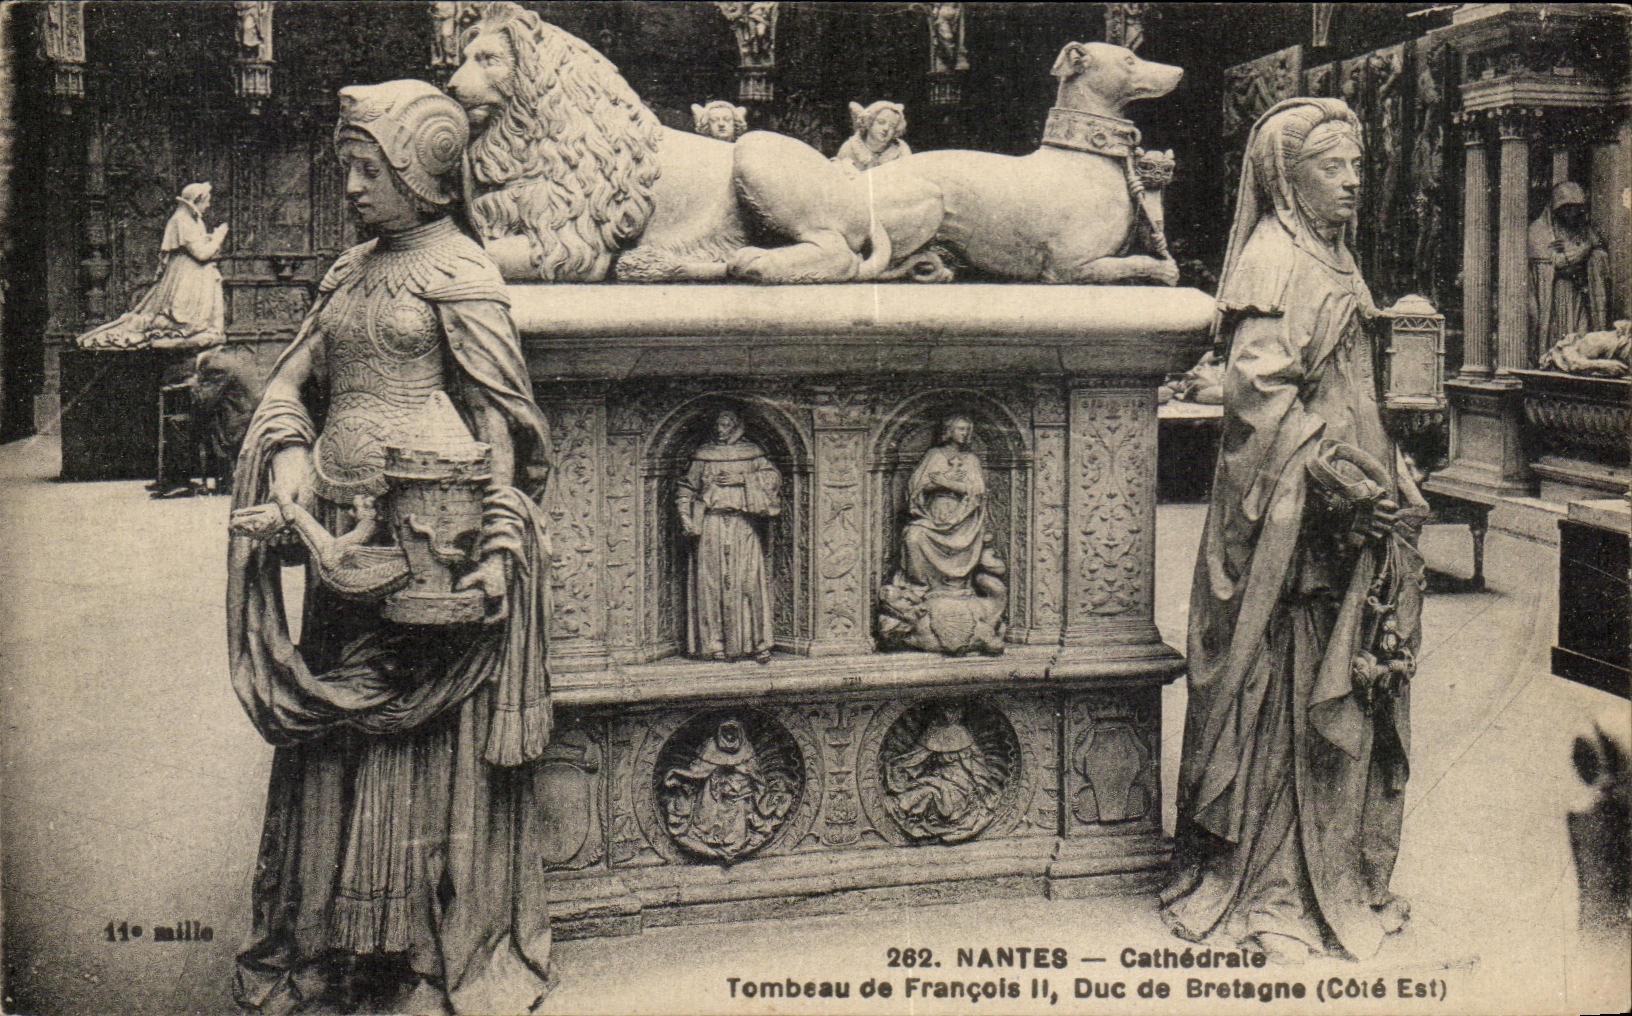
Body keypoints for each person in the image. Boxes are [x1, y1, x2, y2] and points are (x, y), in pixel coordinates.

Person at [227, 80, 554, 1015]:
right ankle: (331, 946)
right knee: (336, 744)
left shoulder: (461, 271)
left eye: (371, 169)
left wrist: (496, 544)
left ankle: (416, 954)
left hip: (434, 543)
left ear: (426, 172)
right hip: (337, 535)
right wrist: (288, 456)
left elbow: (499, 421)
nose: (354, 187)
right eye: (349, 167)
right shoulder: (346, 271)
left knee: (422, 755)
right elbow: (291, 382)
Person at [1162, 98, 1427, 965]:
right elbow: (1257, 404)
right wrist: (1339, 480)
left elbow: (1355, 383)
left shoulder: (1336, 257)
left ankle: (1338, 877)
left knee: (1348, 685)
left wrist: (1391, 464)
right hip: (1296, 532)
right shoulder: (1274, 261)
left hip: (1352, 518)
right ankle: (1270, 893)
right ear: (1287, 175)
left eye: (1357, 166)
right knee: (1287, 700)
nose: (1353, 181)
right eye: (1333, 168)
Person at [677, 410, 781, 663]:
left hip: (742, 523)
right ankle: (715, 644)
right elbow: (687, 487)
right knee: (712, 582)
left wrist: (743, 480)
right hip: (711, 523)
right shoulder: (704, 454)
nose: (720, 429)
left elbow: (773, 481)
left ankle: (755, 643)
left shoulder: (752, 453)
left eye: (725, 424)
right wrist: (686, 516)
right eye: (718, 424)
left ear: (736, 426)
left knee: (748, 581)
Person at [75, 182, 227, 349]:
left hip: (195, 277)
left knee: (197, 322)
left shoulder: (194, 220)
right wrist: (218, 237)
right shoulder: (181, 220)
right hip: (185, 276)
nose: (209, 205)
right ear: (197, 200)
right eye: (206, 201)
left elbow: (202, 248)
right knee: (181, 319)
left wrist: (210, 240)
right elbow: (202, 253)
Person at [1528, 181, 1611, 360]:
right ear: (1558, 209)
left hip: (1578, 291)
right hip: (1554, 294)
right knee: (1557, 335)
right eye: (1568, 209)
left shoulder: (1585, 232)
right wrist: (1564, 262)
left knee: (1581, 330)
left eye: (1576, 209)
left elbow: (1598, 253)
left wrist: (1584, 254)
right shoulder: (1539, 231)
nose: (1572, 214)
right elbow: (1542, 267)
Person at [832, 101, 910, 175]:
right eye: (881, 122)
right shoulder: (850, 147)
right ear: (869, 122)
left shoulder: (901, 150)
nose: (886, 128)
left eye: (892, 126)